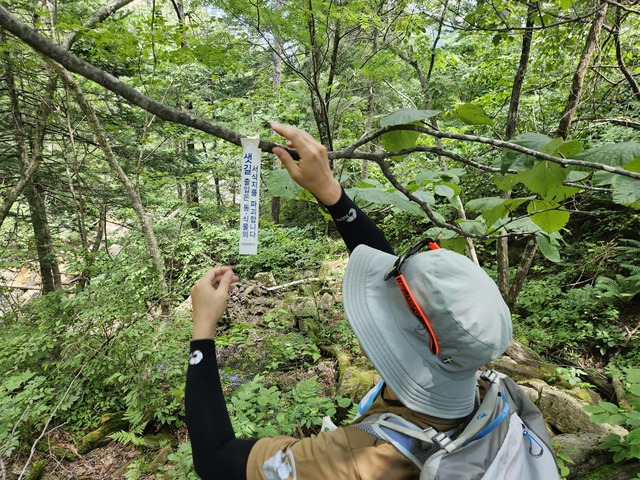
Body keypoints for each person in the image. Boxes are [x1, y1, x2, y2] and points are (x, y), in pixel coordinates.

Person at [185, 122, 513, 480]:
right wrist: (330, 192)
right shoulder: (479, 384)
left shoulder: (358, 462)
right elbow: (398, 288)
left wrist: (202, 333)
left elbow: (216, 461)